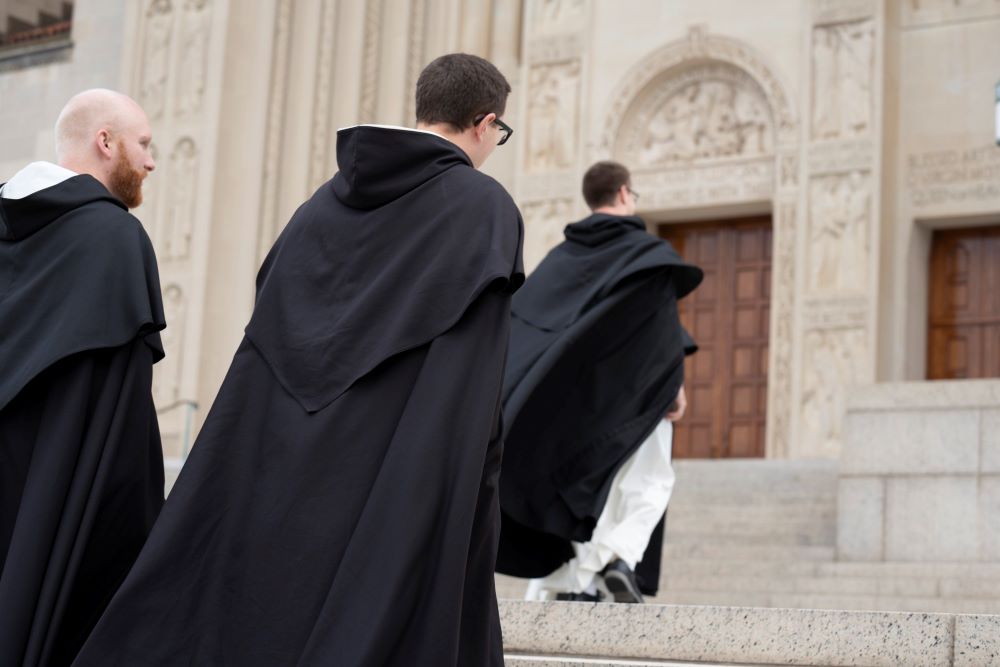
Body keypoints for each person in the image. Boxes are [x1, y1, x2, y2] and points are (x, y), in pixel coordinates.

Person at [73, 53, 523, 667]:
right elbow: (470, 371)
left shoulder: (320, 206)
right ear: (485, 121)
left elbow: (272, 321)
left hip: (289, 456)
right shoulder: (481, 207)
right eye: (499, 134)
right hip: (395, 468)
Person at [0, 89, 165, 667]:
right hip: (59, 509)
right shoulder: (113, 239)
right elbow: (117, 426)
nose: (150, 161)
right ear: (105, 141)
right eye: (143, 144)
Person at [496, 160, 702, 603]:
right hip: (636, 398)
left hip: (574, 409)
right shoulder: (647, 255)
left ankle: (580, 580)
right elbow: (661, 329)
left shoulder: (561, 260)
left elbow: (528, 324)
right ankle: (618, 560)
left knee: (581, 492)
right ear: (625, 194)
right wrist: (675, 386)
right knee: (650, 480)